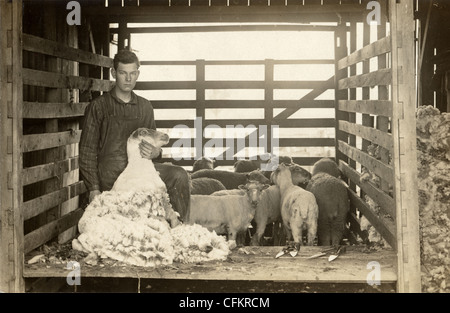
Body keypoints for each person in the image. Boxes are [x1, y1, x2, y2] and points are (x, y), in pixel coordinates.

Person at [79, 49, 190, 222]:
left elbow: (155, 148)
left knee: (179, 175)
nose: (128, 79)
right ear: (114, 73)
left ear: (138, 74)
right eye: (123, 73)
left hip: (140, 172)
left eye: (132, 73)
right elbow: (86, 151)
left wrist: (155, 153)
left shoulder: (145, 107)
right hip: (112, 175)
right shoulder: (98, 107)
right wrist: (93, 188)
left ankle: (181, 229)